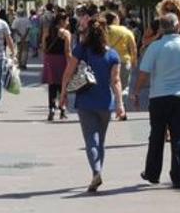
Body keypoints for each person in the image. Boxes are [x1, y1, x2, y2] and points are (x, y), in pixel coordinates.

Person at [132, 11, 180, 189]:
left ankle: (152, 173)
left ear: (161, 28)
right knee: (179, 137)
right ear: (178, 26)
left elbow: (144, 73)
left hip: (158, 97)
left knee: (156, 135)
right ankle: (178, 176)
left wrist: (136, 92)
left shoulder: (154, 47)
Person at [60, 16, 125, 193]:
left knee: (91, 140)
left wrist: (63, 93)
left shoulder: (81, 50)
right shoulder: (113, 55)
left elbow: (68, 72)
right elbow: (116, 81)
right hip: (105, 102)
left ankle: (96, 172)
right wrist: (120, 104)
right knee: (100, 141)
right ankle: (98, 172)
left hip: (85, 102)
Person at [43, 12, 72, 121]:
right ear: (61, 21)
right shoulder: (66, 33)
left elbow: (44, 46)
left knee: (52, 85)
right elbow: (67, 50)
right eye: (67, 20)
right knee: (63, 84)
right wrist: (71, 62)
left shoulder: (47, 30)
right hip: (61, 59)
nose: (68, 23)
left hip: (50, 59)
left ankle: (51, 109)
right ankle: (62, 108)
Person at [103, 11, 137, 95]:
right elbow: (133, 48)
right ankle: (121, 101)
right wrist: (134, 62)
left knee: (108, 86)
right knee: (123, 87)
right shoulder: (126, 31)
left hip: (106, 61)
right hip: (124, 61)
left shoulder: (103, 30)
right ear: (114, 20)